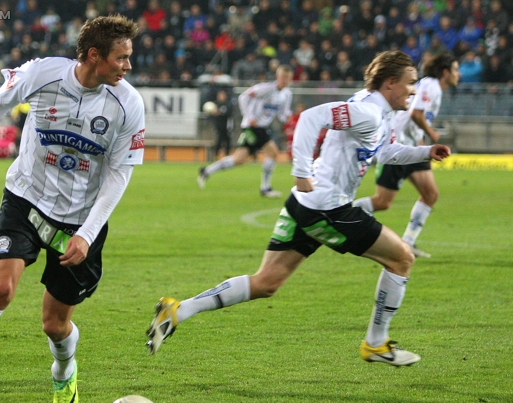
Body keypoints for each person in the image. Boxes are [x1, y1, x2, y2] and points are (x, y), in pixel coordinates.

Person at [147, 51, 451, 366]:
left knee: (266, 282)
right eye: (410, 83)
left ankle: (178, 309)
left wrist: (425, 151)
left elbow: (384, 151)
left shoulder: (380, 111)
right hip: (328, 209)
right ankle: (376, 344)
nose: (414, 90)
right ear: (390, 83)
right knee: (402, 258)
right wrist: (302, 170)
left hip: (305, 204)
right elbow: (311, 118)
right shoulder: (368, 111)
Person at [0, 14, 145, 403]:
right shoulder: (44, 73)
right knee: (2, 289)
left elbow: (119, 174)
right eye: (122, 58)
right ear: (94, 56)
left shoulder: (128, 103)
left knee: (54, 323)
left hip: (79, 221)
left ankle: (64, 374)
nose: (127, 67)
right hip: (26, 198)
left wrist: (86, 233)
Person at [353, 54, 460, 258]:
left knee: (430, 194)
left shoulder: (435, 90)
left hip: (414, 147)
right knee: (383, 202)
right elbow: (415, 114)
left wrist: (420, 140)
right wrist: (431, 134)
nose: (459, 74)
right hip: (398, 148)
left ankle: (409, 242)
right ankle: (348, 213)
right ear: (445, 73)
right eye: (455, 70)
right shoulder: (430, 85)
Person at [197, 65, 293, 198]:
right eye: (283, 77)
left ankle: (206, 171)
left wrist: (287, 117)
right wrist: (249, 116)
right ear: (277, 77)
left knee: (239, 159)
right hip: (252, 126)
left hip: (262, 127)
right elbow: (244, 97)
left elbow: (282, 113)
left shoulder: (287, 94)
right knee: (273, 152)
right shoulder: (265, 88)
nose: (285, 80)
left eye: (287, 78)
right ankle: (265, 188)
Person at [208, 89, 233, 160]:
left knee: (227, 141)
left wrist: (220, 113)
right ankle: (215, 156)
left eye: (222, 95)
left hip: (227, 126)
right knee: (219, 141)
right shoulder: (215, 104)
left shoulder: (228, 104)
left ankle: (228, 156)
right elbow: (210, 115)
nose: (221, 97)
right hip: (218, 126)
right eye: (220, 95)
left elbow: (229, 113)